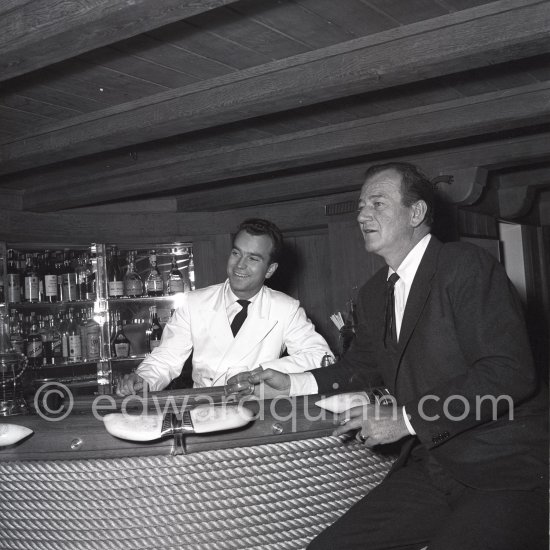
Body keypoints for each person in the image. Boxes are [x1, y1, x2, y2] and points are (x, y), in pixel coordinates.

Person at [234, 163, 548, 549]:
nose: (363, 214)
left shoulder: (465, 266)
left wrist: (407, 419)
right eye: (361, 206)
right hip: (433, 467)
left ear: (415, 213)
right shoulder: (371, 296)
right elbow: (360, 367)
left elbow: (509, 373)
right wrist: (294, 382)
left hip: (502, 469)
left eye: (378, 204)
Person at [117, 218, 331, 395]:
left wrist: (260, 375)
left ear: (270, 270)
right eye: (236, 253)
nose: (240, 265)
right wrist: (143, 379)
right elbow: (166, 358)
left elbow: (320, 357)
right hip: (203, 408)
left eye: (253, 258)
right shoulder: (194, 302)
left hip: (257, 412)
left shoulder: (286, 309)